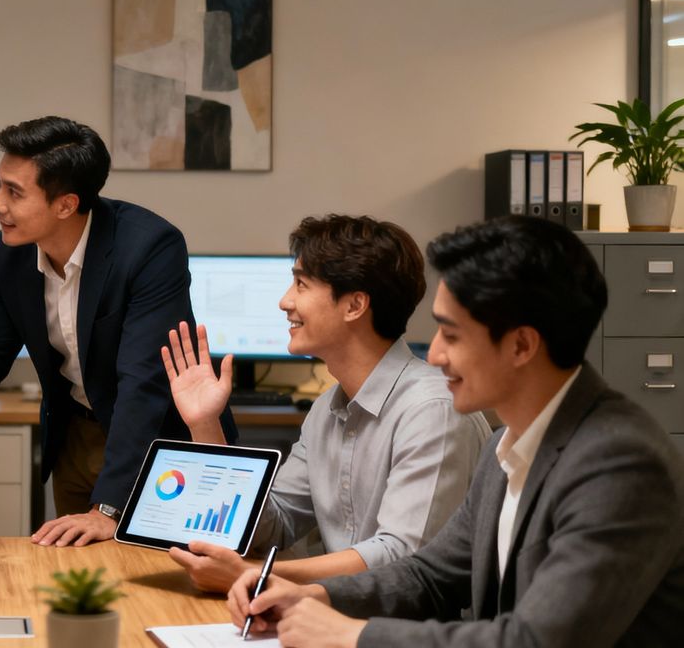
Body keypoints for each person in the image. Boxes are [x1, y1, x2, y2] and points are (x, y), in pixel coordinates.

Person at [226, 216, 684, 648]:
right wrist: (316, 597)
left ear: (521, 345)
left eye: (451, 334)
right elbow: (429, 575)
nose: (437, 355)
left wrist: (352, 635)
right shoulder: (509, 447)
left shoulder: (620, 462)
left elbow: (536, 641)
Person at [0, 115, 235, 547]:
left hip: (155, 445)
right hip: (74, 435)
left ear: (66, 205)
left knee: (157, 580)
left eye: (14, 192)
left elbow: (143, 384)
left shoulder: (148, 248)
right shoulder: (9, 253)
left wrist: (108, 508)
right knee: (73, 572)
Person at [163, 215, 491, 590]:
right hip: (335, 614)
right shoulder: (325, 410)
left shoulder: (431, 411)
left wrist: (259, 577)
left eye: (301, 284)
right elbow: (274, 525)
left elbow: (401, 559)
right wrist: (206, 425)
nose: (285, 301)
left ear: (354, 305)